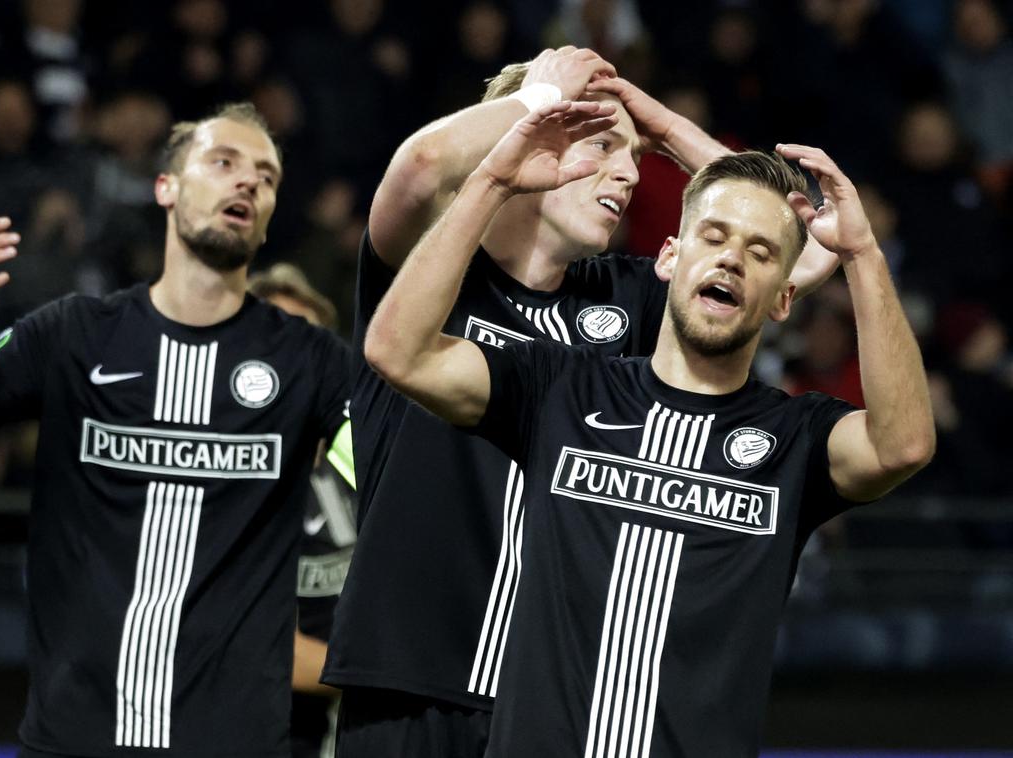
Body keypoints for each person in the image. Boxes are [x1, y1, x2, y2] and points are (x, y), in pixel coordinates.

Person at [362, 100, 934, 757]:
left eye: (758, 253)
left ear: (785, 295)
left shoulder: (793, 438)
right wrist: (493, 179)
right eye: (714, 237)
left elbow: (904, 443)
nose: (730, 261)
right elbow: (398, 351)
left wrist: (861, 253)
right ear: (668, 258)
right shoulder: (562, 388)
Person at [0, 103, 351, 758]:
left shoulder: (311, 361)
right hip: (74, 741)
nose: (248, 183)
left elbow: (405, 473)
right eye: (224, 162)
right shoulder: (72, 335)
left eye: (266, 177)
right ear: (166, 187)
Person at [248, 263, 358, 758]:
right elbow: (263, 651)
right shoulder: (230, 483)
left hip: (346, 730)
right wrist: (390, 674)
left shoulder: (356, 462)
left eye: (313, 345)